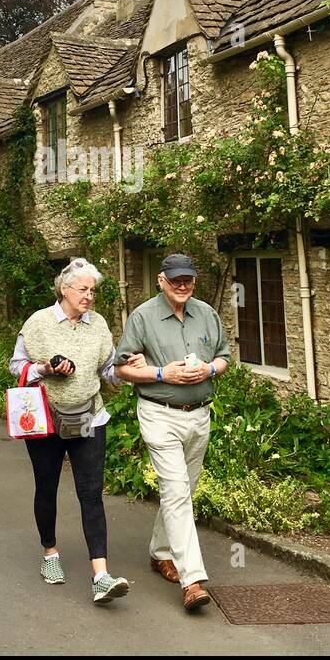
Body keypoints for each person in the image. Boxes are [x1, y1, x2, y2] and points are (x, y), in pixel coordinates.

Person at [9, 257, 143, 605]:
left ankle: (101, 575)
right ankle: (50, 554)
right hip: (48, 420)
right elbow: (16, 366)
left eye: (93, 290)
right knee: (47, 487)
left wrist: (127, 368)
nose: (89, 296)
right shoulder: (38, 323)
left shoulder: (97, 325)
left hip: (88, 417)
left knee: (91, 493)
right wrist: (45, 368)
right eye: (83, 289)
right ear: (63, 289)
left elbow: (107, 371)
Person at [115, 254, 230, 611]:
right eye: (176, 280)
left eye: (188, 280)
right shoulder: (143, 317)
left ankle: (160, 552)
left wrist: (210, 369)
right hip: (159, 414)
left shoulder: (207, 313)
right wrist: (164, 374)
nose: (183, 285)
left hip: (199, 415)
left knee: (183, 491)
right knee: (177, 490)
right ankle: (192, 580)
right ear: (161, 281)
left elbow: (225, 356)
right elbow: (121, 368)